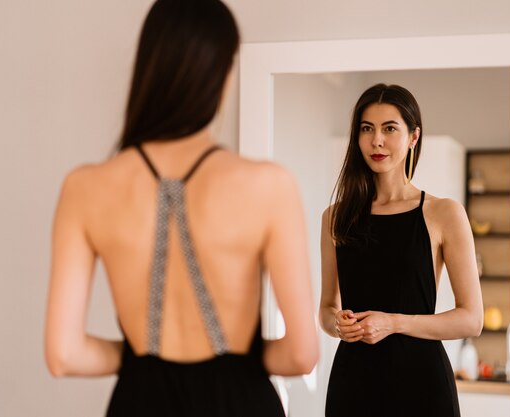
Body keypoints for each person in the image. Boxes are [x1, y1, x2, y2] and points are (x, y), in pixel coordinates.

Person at [44, 1, 318, 416]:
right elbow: (301, 355)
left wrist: (139, 359)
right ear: (222, 74)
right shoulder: (268, 185)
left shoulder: (84, 187)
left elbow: (63, 354)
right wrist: (236, 361)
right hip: (240, 401)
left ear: (148, 68)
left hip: (140, 399)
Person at [319, 84, 483, 416]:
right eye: (367, 129)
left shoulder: (443, 213)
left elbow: (471, 320)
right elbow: (326, 308)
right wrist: (338, 324)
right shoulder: (335, 217)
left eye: (389, 128)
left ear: (413, 136)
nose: (376, 140)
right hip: (353, 386)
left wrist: (393, 323)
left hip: (422, 386)